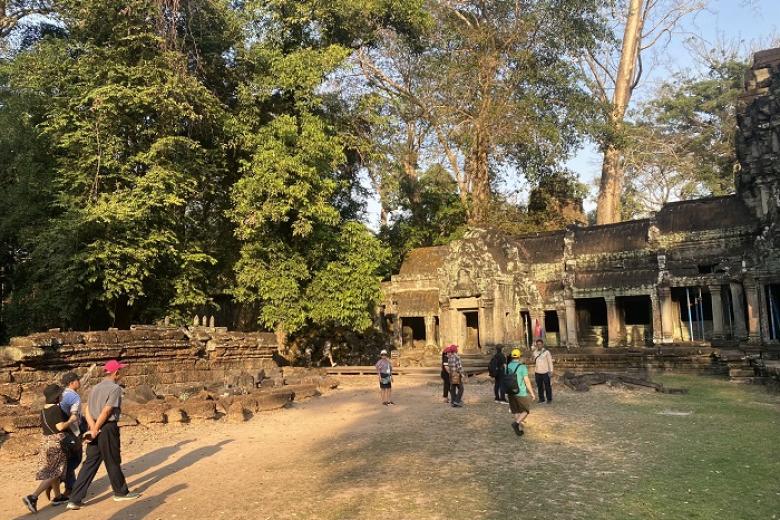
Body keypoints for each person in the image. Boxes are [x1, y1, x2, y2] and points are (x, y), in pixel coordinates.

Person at [67, 360, 141, 510]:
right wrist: (96, 429)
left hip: (93, 426)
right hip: (106, 428)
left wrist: (93, 428)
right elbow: (107, 411)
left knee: (90, 463)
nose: (122, 374)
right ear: (116, 373)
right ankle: (120, 492)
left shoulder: (95, 388)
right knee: (112, 459)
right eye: (120, 371)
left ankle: (74, 499)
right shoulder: (115, 388)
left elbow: (87, 410)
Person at [23, 384, 76, 513]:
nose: (61, 396)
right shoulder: (55, 409)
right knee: (56, 472)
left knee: (53, 472)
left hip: (46, 442)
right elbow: (60, 427)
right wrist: (71, 420)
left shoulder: (43, 410)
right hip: (56, 443)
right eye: (60, 394)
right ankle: (33, 497)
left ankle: (58, 497)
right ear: (56, 397)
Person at [60, 372, 84, 498]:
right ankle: (65, 481)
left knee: (69, 458)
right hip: (73, 430)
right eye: (77, 380)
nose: (79, 382)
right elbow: (74, 415)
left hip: (62, 429)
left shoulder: (61, 394)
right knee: (76, 458)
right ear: (71, 383)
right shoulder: (74, 397)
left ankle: (69, 484)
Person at [505, 348, 536, 437]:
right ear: (519, 357)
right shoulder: (522, 367)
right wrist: (532, 393)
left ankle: (519, 429)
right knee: (525, 410)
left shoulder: (507, 366)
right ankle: (516, 423)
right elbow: (527, 382)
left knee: (516, 411)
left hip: (510, 392)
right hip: (520, 392)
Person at [532, 339, 554, 404]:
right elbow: (534, 361)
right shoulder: (534, 352)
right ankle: (541, 399)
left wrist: (551, 370)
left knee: (547, 386)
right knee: (539, 386)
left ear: (542, 344)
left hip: (545, 372)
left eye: (540, 344)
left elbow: (550, 362)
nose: (539, 345)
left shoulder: (547, 352)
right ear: (536, 345)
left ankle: (549, 399)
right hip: (537, 372)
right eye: (537, 344)